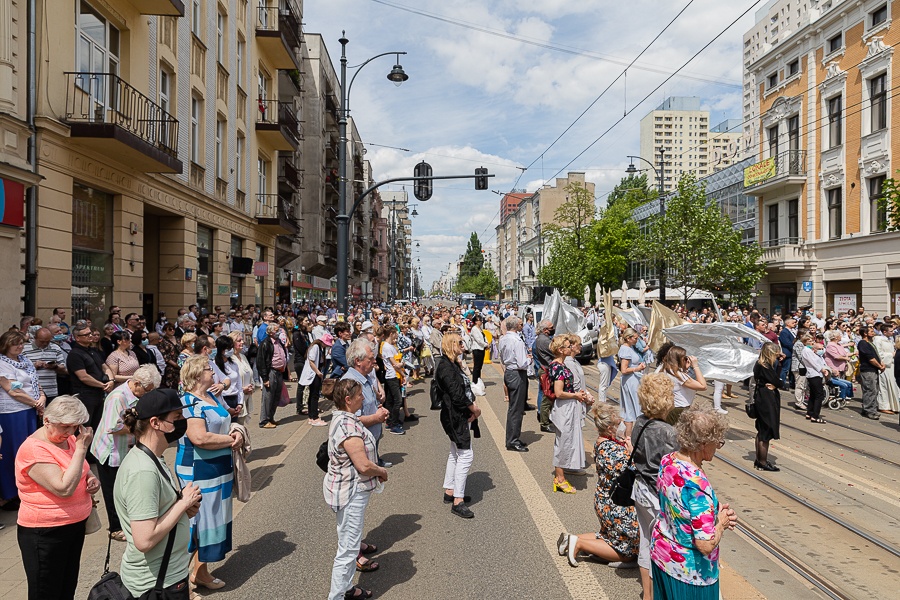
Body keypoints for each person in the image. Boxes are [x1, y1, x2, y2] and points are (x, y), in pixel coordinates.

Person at [114, 388, 202, 599]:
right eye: (177, 417)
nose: (183, 421)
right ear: (155, 423)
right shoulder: (143, 471)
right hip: (157, 584)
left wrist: (182, 509)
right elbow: (144, 540)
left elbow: (156, 511)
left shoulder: (153, 457)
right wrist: (182, 503)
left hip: (166, 576)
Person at [15, 396, 100, 599]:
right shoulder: (34, 449)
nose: (71, 432)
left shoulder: (67, 438)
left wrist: (91, 477)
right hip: (45, 532)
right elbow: (63, 488)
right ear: (47, 421)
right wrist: (81, 449)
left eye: (75, 427)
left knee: (66, 586)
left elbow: (79, 468)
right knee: (46, 591)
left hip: (73, 525)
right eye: (65, 427)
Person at [650, 408, 738, 600]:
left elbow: (678, 507)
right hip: (690, 573)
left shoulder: (668, 461)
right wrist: (721, 524)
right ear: (703, 444)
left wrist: (711, 514)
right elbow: (705, 545)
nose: (718, 447)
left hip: (663, 553)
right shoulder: (698, 485)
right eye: (717, 443)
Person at [175, 355, 242, 590]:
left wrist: (237, 432)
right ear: (195, 374)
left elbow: (227, 420)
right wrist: (231, 440)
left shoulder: (211, 396)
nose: (213, 372)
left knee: (215, 518)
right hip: (199, 469)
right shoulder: (189, 402)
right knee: (202, 521)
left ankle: (199, 570)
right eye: (208, 369)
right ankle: (193, 574)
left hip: (219, 466)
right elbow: (199, 438)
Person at [325, 379, 389, 600]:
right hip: (351, 492)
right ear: (348, 399)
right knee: (348, 550)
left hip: (347, 490)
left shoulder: (344, 418)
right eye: (360, 395)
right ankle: (337, 596)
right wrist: (381, 471)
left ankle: (346, 588)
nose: (364, 398)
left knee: (348, 543)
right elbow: (362, 465)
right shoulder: (347, 426)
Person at [559, 402, 638, 568]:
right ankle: (580, 544)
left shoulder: (606, 442)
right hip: (615, 504)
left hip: (606, 500)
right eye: (618, 423)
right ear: (610, 428)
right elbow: (631, 471)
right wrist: (631, 452)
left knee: (608, 536)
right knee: (627, 552)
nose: (622, 425)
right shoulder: (611, 449)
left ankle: (571, 538)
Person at [90, 365, 161, 542]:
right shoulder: (118, 397)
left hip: (127, 449)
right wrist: (139, 428)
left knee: (127, 488)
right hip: (111, 451)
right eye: (146, 390)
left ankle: (130, 520)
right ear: (136, 383)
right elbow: (112, 427)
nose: (147, 394)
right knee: (113, 490)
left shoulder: (138, 394)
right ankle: (115, 527)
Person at [631, 373, 677, 600]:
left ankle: (647, 596)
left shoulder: (640, 422)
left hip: (639, 488)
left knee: (645, 542)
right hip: (657, 494)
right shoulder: (668, 432)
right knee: (662, 546)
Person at [435, 332, 481, 519]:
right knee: (465, 455)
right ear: (451, 344)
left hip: (456, 415)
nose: (463, 345)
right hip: (455, 416)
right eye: (460, 342)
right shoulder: (446, 367)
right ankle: (458, 501)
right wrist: (474, 409)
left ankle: (450, 491)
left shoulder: (451, 363)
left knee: (455, 452)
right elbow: (456, 395)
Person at [0, 330, 46, 508]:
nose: (20, 346)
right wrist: (36, 403)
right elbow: (12, 390)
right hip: (12, 413)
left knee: (29, 450)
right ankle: (10, 493)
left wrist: (41, 396)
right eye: (16, 343)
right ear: (6, 345)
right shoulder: (2, 363)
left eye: (21, 343)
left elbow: (34, 380)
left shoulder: (25, 360)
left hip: (29, 409)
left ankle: (27, 488)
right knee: (13, 451)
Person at [548, 336, 592, 494]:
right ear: (561, 350)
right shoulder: (559, 367)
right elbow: (559, 393)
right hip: (564, 408)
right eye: (567, 346)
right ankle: (559, 479)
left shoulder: (559, 364)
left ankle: (562, 474)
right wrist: (575, 395)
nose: (570, 348)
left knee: (566, 441)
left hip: (567, 407)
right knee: (563, 442)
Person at [498, 316, 530, 452]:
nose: (522, 326)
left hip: (509, 372)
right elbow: (522, 363)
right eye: (520, 324)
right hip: (517, 373)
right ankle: (512, 441)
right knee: (516, 409)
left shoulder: (503, 338)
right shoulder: (517, 341)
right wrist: (529, 360)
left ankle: (513, 437)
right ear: (516, 326)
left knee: (514, 408)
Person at [753, 343, 783, 471]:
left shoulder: (759, 364)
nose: (777, 357)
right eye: (776, 354)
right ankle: (763, 461)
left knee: (761, 430)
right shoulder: (765, 367)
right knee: (766, 431)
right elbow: (778, 381)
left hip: (761, 397)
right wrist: (777, 384)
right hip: (767, 400)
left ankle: (759, 459)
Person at [658, 345, 708, 421]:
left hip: (671, 408)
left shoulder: (665, 369)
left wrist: (684, 369)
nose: (686, 360)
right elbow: (703, 386)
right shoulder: (678, 375)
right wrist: (696, 366)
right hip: (680, 409)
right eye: (684, 358)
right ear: (678, 359)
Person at [23, 328, 68, 404]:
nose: (44, 344)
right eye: (42, 341)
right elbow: (19, 370)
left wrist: (54, 366)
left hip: (51, 390)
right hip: (32, 391)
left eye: (47, 342)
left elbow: (63, 368)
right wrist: (33, 366)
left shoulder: (55, 348)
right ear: (35, 338)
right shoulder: (24, 349)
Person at [256, 321, 288, 429]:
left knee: (276, 396)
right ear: (270, 332)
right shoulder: (266, 343)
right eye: (276, 330)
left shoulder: (279, 342)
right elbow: (261, 362)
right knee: (268, 397)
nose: (278, 332)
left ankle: (270, 417)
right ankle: (264, 420)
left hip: (279, 372)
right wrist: (265, 378)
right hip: (271, 372)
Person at [618, 327, 648, 440]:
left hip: (632, 380)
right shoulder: (625, 349)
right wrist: (637, 368)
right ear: (629, 338)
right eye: (635, 338)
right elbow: (624, 369)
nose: (637, 340)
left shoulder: (629, 348)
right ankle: (629, 437)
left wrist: (637, 366)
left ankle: (628, 437)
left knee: (630, 409)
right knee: (631, 409)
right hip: (630, 381)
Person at [299, 333, 333, 427]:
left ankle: (312, 416)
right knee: (314, 396)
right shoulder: (316, 347)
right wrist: (318, 372)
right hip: (313, 374)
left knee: (313, 396)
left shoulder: (319, 347)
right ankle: (314, 417)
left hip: (315, 373)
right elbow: (311, 361)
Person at [379, 326, 406, 435]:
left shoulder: (391, 346)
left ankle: (390, 421)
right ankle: (393, 424)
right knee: (398, 400)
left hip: (394, 375)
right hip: (392, 376)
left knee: (390, 400)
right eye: (396, 333)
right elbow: (395, 364)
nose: (397, 335)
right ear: (391, 333)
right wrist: (403, 371)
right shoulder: (386, 347)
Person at [213, 335, 243, 421]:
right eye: (227, 348)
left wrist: (240, 403)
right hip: (222, 400)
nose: (230, 351)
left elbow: (239, 384)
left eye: (231, 348)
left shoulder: (233, 364)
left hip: (235, 399)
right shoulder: (215, 365)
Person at [857, 325, 884, 420]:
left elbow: (875, 355)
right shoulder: (863, 343)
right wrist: (880, 366)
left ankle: (868, 408)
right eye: (871, 331)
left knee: (873, 390)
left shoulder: (870, 343)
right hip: (868, 370)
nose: (873, 333)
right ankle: (870, 410)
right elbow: (870, 358)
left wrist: (881, 363)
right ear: (865, 333)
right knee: (870, 390)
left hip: (873, 370)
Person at [228, 331, 255, 425]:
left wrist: (251, 386)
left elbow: (249, 373)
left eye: (242, 340)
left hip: (246, 397)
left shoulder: (243, 356)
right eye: (239, 340)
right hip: (236, 399)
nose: (242, 342)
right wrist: (242, 389)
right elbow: (229, 381)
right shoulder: (229, 359)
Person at [801, 339, 830, 423]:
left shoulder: (817, 355)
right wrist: (822, 370)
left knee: (813, 395)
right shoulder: (809, 353)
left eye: (822, 348)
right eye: (819, 349)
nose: (822, 350)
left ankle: (809, 413)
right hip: (814, 375)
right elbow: (814, 363)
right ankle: (815, 416)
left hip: (817, 375)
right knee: (819, 395)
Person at [873, 323, 900, 414]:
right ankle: (883, 406)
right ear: (884, 332)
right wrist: (891, 355)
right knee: (884, 387)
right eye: (891, 331)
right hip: (884, 366)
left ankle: (893, 406)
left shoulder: (890, 340)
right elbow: (878, 354)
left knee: (893, 386)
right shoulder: (878, 339)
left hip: (892, 366)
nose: (893, 332)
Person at [468, 314, 487, 385]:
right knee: (476, 366)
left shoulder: (480, 329)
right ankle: (475, 381)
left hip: (482, 349)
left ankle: (478, 380)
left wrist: (487, 343)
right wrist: (485, 344)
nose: (481, 322)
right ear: (476, 321)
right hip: (477, 349)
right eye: (480, 320)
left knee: (480, 366)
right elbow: (478, 340)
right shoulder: (474, 329)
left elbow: (483, 337)